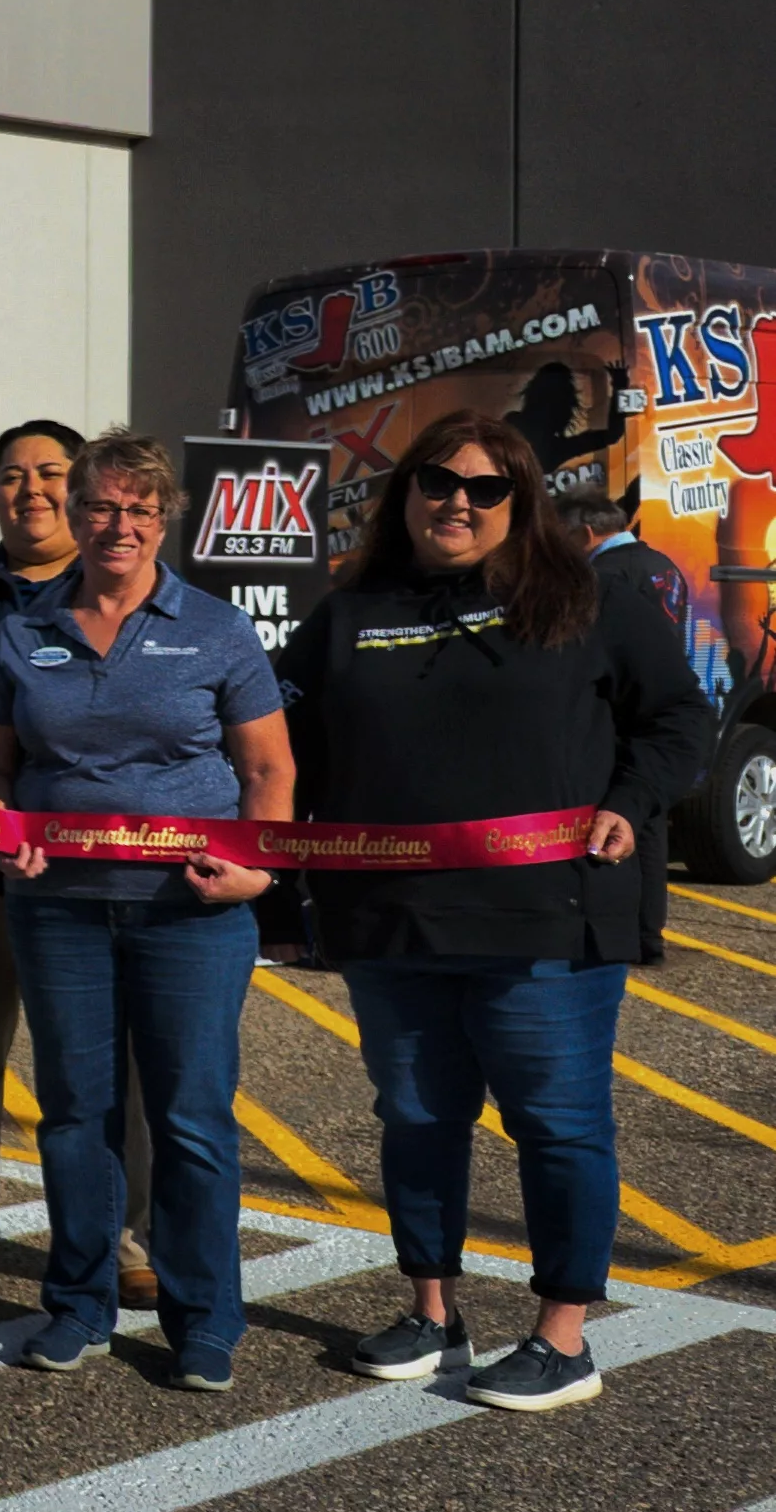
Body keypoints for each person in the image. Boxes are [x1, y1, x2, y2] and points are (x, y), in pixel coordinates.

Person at [286, 416, 714, 1411]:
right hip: (390, 921)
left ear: (519, 502)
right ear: (403, 494)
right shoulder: (352, 611)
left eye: (484, 488)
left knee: (555, 1124)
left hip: (544, 922)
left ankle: (561, 1337)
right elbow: (276, 735)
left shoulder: (587, 599)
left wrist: (626, 802)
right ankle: (431, 1311)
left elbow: (676, 720)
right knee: (416, 1115)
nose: (455, 502)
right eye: (435, 481)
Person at [0, 429, 293, 1389]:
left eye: (140, 508)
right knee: (74, 1114)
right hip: (58, 908)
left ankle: (204, 1318)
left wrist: (259, 875)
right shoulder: (23, 629)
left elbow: (268, 769)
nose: (119, 524)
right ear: (73, 515)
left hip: (191, 911)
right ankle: (78, 1301)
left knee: (191, 1117)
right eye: (101, 505)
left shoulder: (218, 627)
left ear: (164, 517)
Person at [0, 420, 169, 1299]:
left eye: (52, 473)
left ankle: (123, 1237)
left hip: (88, 880)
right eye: (11, 475)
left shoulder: (123, 593)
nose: (31, 490)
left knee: (101, 1066)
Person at [556, 486, 692, 963]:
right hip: (658, 706)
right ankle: (649, 935)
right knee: (650, 830)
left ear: (585, 532)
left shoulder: (604, 577)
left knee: (621, 829)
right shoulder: (663, 564)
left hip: (619, 712)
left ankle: (635, 935)